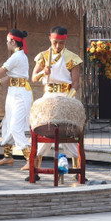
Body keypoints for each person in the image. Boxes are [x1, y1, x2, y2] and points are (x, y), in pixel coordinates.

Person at [30, 25, 83, 172]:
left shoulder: (72, 58)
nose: (58, 46)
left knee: (69, 132)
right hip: (48, 96)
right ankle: (35, 168)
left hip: (66, 97)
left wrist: (69, 100)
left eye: (61, 43)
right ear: (50, 38)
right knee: (43, 128)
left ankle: (77, 168)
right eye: (55, 42)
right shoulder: (43, 56)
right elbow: (34, 77)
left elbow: (76, 83)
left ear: (65, 41)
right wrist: (43, 72)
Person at [0, 29, 32, 167]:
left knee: (15, 127)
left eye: (7, 41)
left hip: (20, 94)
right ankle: (8, 156)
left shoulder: (17, 57)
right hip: (13, 92)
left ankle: (30, 159)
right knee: (7, 124)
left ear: (13, 42)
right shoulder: (18, 57)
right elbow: (9, 78)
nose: (6, 43)